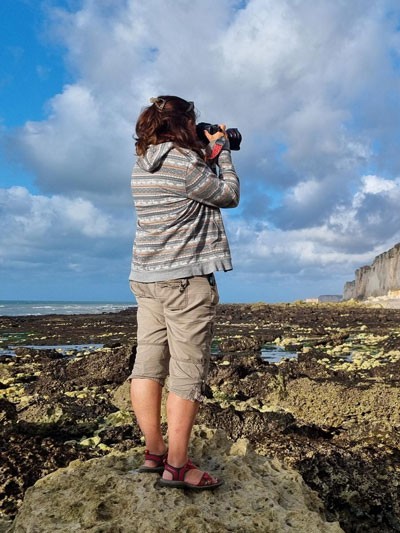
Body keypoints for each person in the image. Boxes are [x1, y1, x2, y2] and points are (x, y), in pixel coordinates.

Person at [128, 95, 239, 490]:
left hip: (146, 278)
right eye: (192, 123)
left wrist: (202, 153)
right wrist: (222, 152)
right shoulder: (184, 163)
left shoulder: (142, 165)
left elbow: (187, 184)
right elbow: (228, 195)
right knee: (186, 372)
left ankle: (154, 451)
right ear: (181, 125)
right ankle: (177, 467)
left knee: (147, 364)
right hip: (184, 283)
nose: (197, 129)